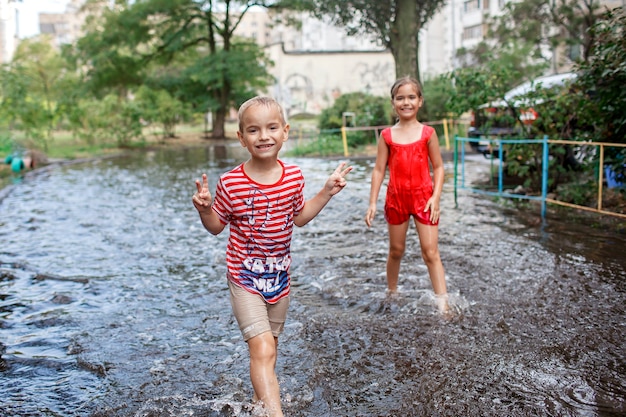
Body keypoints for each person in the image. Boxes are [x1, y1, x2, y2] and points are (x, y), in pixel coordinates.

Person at [192, 96, 352, 417]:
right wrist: (205, 209)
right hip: (244, 279)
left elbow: (300, 217)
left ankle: (259, 406)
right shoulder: (231, 182)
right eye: (253, 130)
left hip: (279, 280)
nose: (263, 136)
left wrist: (326, 192)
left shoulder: (293, 177)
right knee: (262, 347)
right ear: (241, 138)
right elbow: (215, 227)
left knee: (269, 350)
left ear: (285, 132)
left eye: (271, 128)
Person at [364, 76, 450, 314]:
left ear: (420, 101)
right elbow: (379, 169)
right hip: (396, 198)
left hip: (424, 198)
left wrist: (436, 197)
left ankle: (442, 300)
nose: (406, 102)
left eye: (411, 97)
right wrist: (372, 202)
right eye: (400, 98)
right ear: (393, 103)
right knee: (396, 250)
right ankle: (392, 291)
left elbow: (440, 167)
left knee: (430, 251)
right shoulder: (387, 136)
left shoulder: (428, 133)